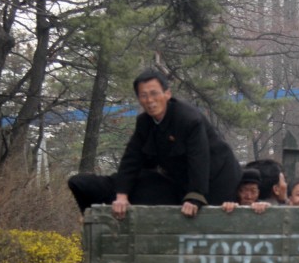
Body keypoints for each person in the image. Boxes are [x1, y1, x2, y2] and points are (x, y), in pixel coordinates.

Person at [67, 69, 242, 219]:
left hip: (219, 177)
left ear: (167, 94)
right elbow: (131, 158)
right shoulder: (145, 123)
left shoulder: (189, 119)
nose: (150, 100)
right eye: (143, 96)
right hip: (182, 179)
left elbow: (200, 159)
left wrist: (194, 197)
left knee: (214, 220)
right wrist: (122, 195)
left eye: (154, 93)